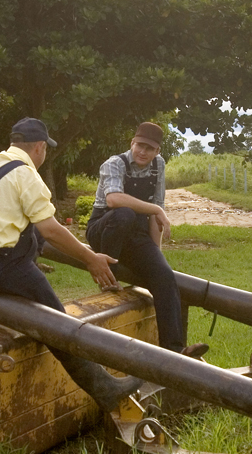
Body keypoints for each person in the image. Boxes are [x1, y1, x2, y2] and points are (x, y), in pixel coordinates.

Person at [0, 117, 144, 412]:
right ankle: (105, 389)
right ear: (39, 147)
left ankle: (27, 271)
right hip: (4, 268)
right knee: (61, 324)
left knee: (29, 230)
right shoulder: (27, 176)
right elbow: (52, 229)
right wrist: (90, 258)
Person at [86, 121, 205, 357]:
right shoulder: (114, 163)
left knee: (163, 274)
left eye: (149, 149)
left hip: (134, 233)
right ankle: (111, 275)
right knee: (124, 212)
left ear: (157, 151)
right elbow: (113, 200)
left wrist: (155, 255)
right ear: (132, 143)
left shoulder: (158, 166)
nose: (143, 152)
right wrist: (156, 210)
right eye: (139, 145)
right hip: (104, 228)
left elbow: (155, 210)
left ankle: (175, 349)